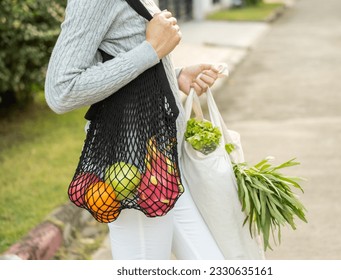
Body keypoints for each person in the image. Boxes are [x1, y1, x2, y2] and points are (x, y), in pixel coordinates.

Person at [45, 0, 224, 260]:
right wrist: (151, 50)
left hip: (162, 161)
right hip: (131, 168)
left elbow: (121, 59)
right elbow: (61, 91)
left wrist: (175, 75)